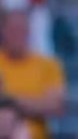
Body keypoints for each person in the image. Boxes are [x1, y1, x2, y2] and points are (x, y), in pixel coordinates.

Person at [0, 10, 65, 139]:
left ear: (29, 32)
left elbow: (55, 106)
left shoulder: (48, 64)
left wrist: (8, 99)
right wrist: (34, 103)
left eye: (21, 30)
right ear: (2, 32)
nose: (17, 35)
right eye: (12, 30)